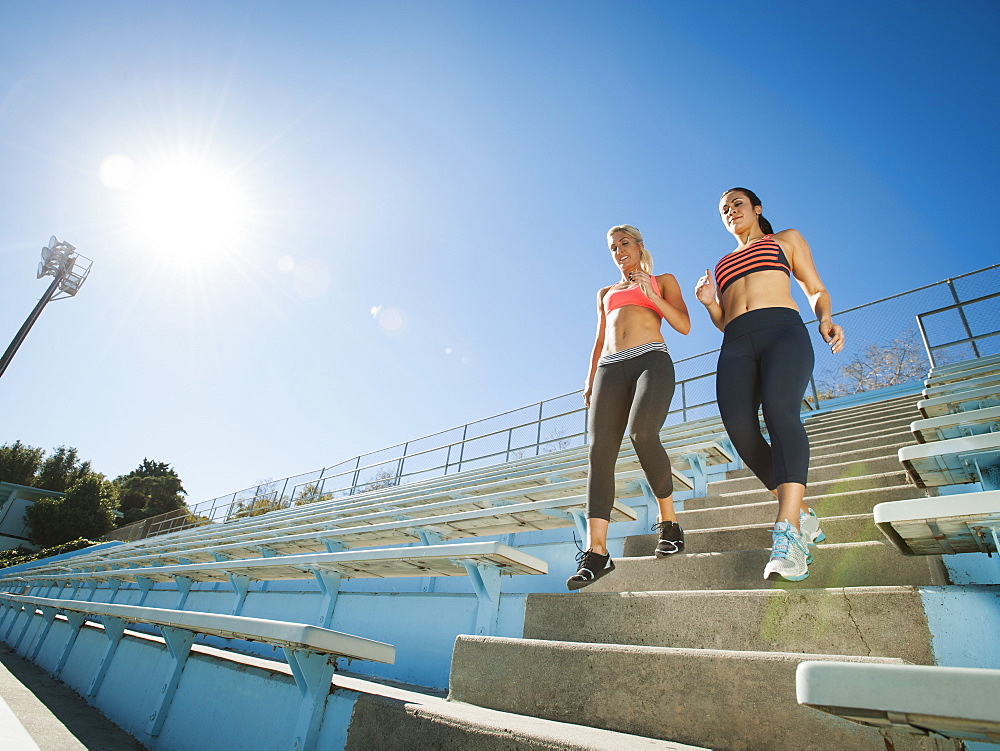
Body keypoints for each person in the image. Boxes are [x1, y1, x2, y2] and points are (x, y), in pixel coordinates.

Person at [695, 187, 844, 582]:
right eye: (724, 210)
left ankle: (788, 532)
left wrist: (825, 318)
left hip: (783, 332)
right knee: (740, 431)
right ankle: (804, 513)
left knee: (779, 412)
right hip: (737, 343)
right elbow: (726, 319)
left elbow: (815, 288)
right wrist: (711, 303)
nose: (730, 212)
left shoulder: (785, 240)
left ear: (757, 209)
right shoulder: (723, 263)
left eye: (737, 205)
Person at [567, 225, 691, 590]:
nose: (619, 250)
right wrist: (590, 380)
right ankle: (597, 552)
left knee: (643, 433)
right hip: (609, 369)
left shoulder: (663, 280)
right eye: (612, 247)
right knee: (598, 453)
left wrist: (651, 292)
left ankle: (669, 524)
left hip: (650, 360)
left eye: (625, 243)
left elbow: (682, 324)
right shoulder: (605, 292)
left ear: (639, 247)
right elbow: (599, 339)